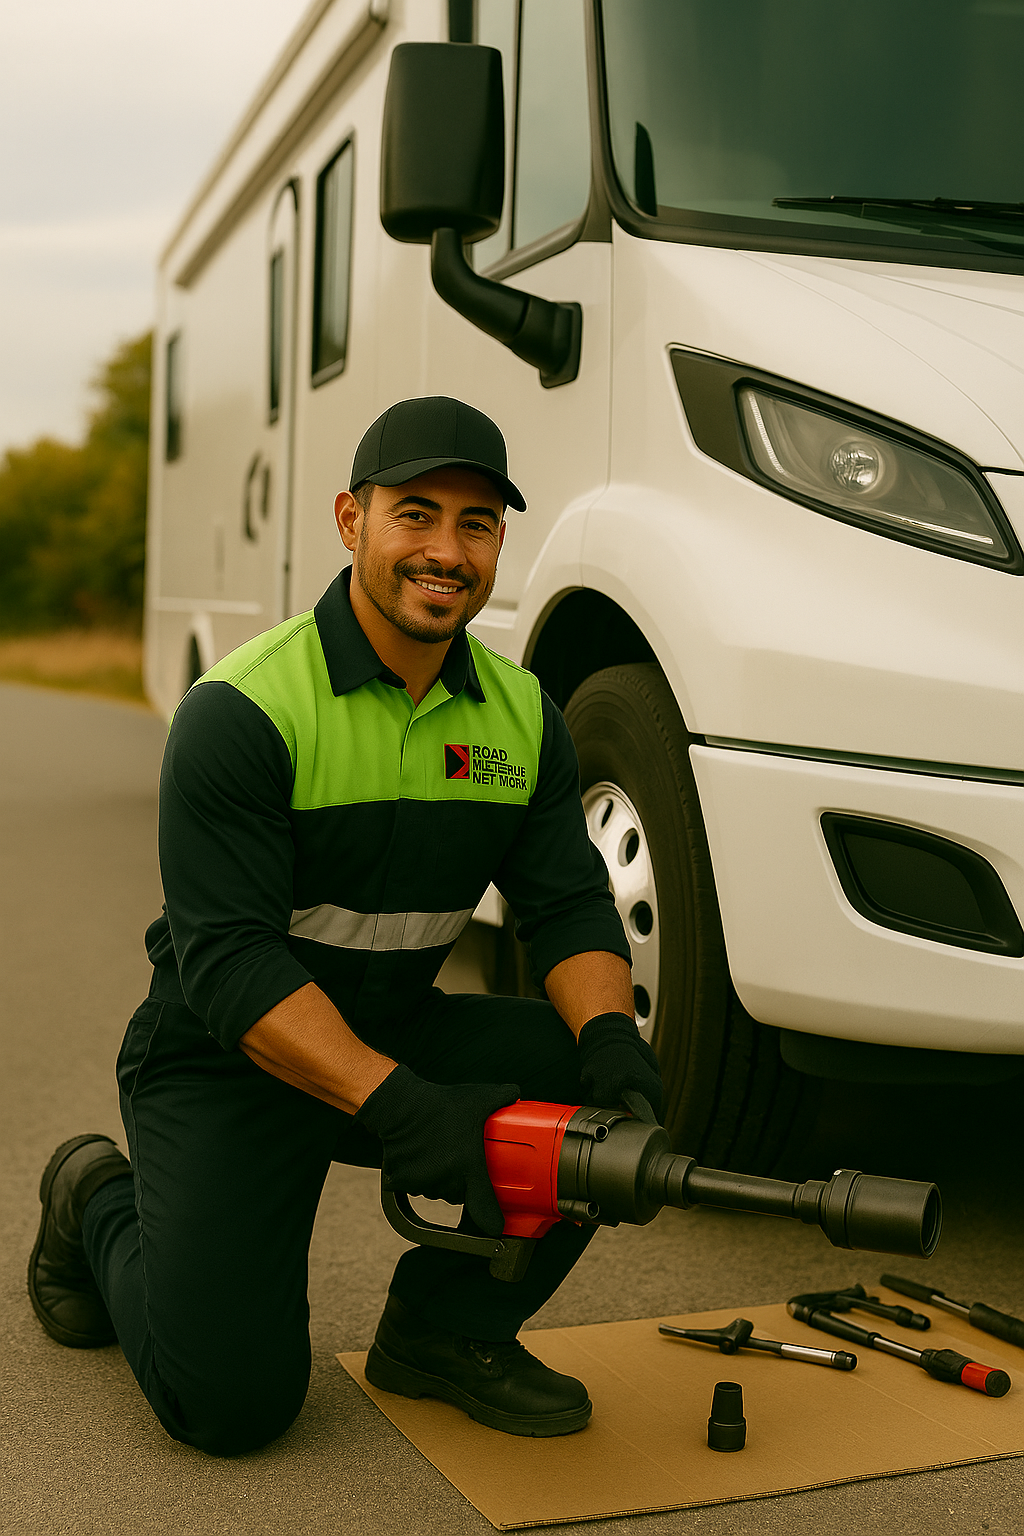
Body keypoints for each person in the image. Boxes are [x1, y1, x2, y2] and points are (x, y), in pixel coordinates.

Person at [28, 396, 662, 1454]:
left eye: (476, 524)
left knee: (603, 1092)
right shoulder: (243, 711)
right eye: (414, 514)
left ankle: (446, 1331)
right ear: (349, 521)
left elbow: (564, 906)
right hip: (226, 1054)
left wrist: (612, 1046)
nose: (445, 551)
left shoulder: (520, 717)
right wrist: (404, 1107)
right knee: (229, 1408)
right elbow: (230, 967)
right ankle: (93, 1193)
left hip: (393, 1029)